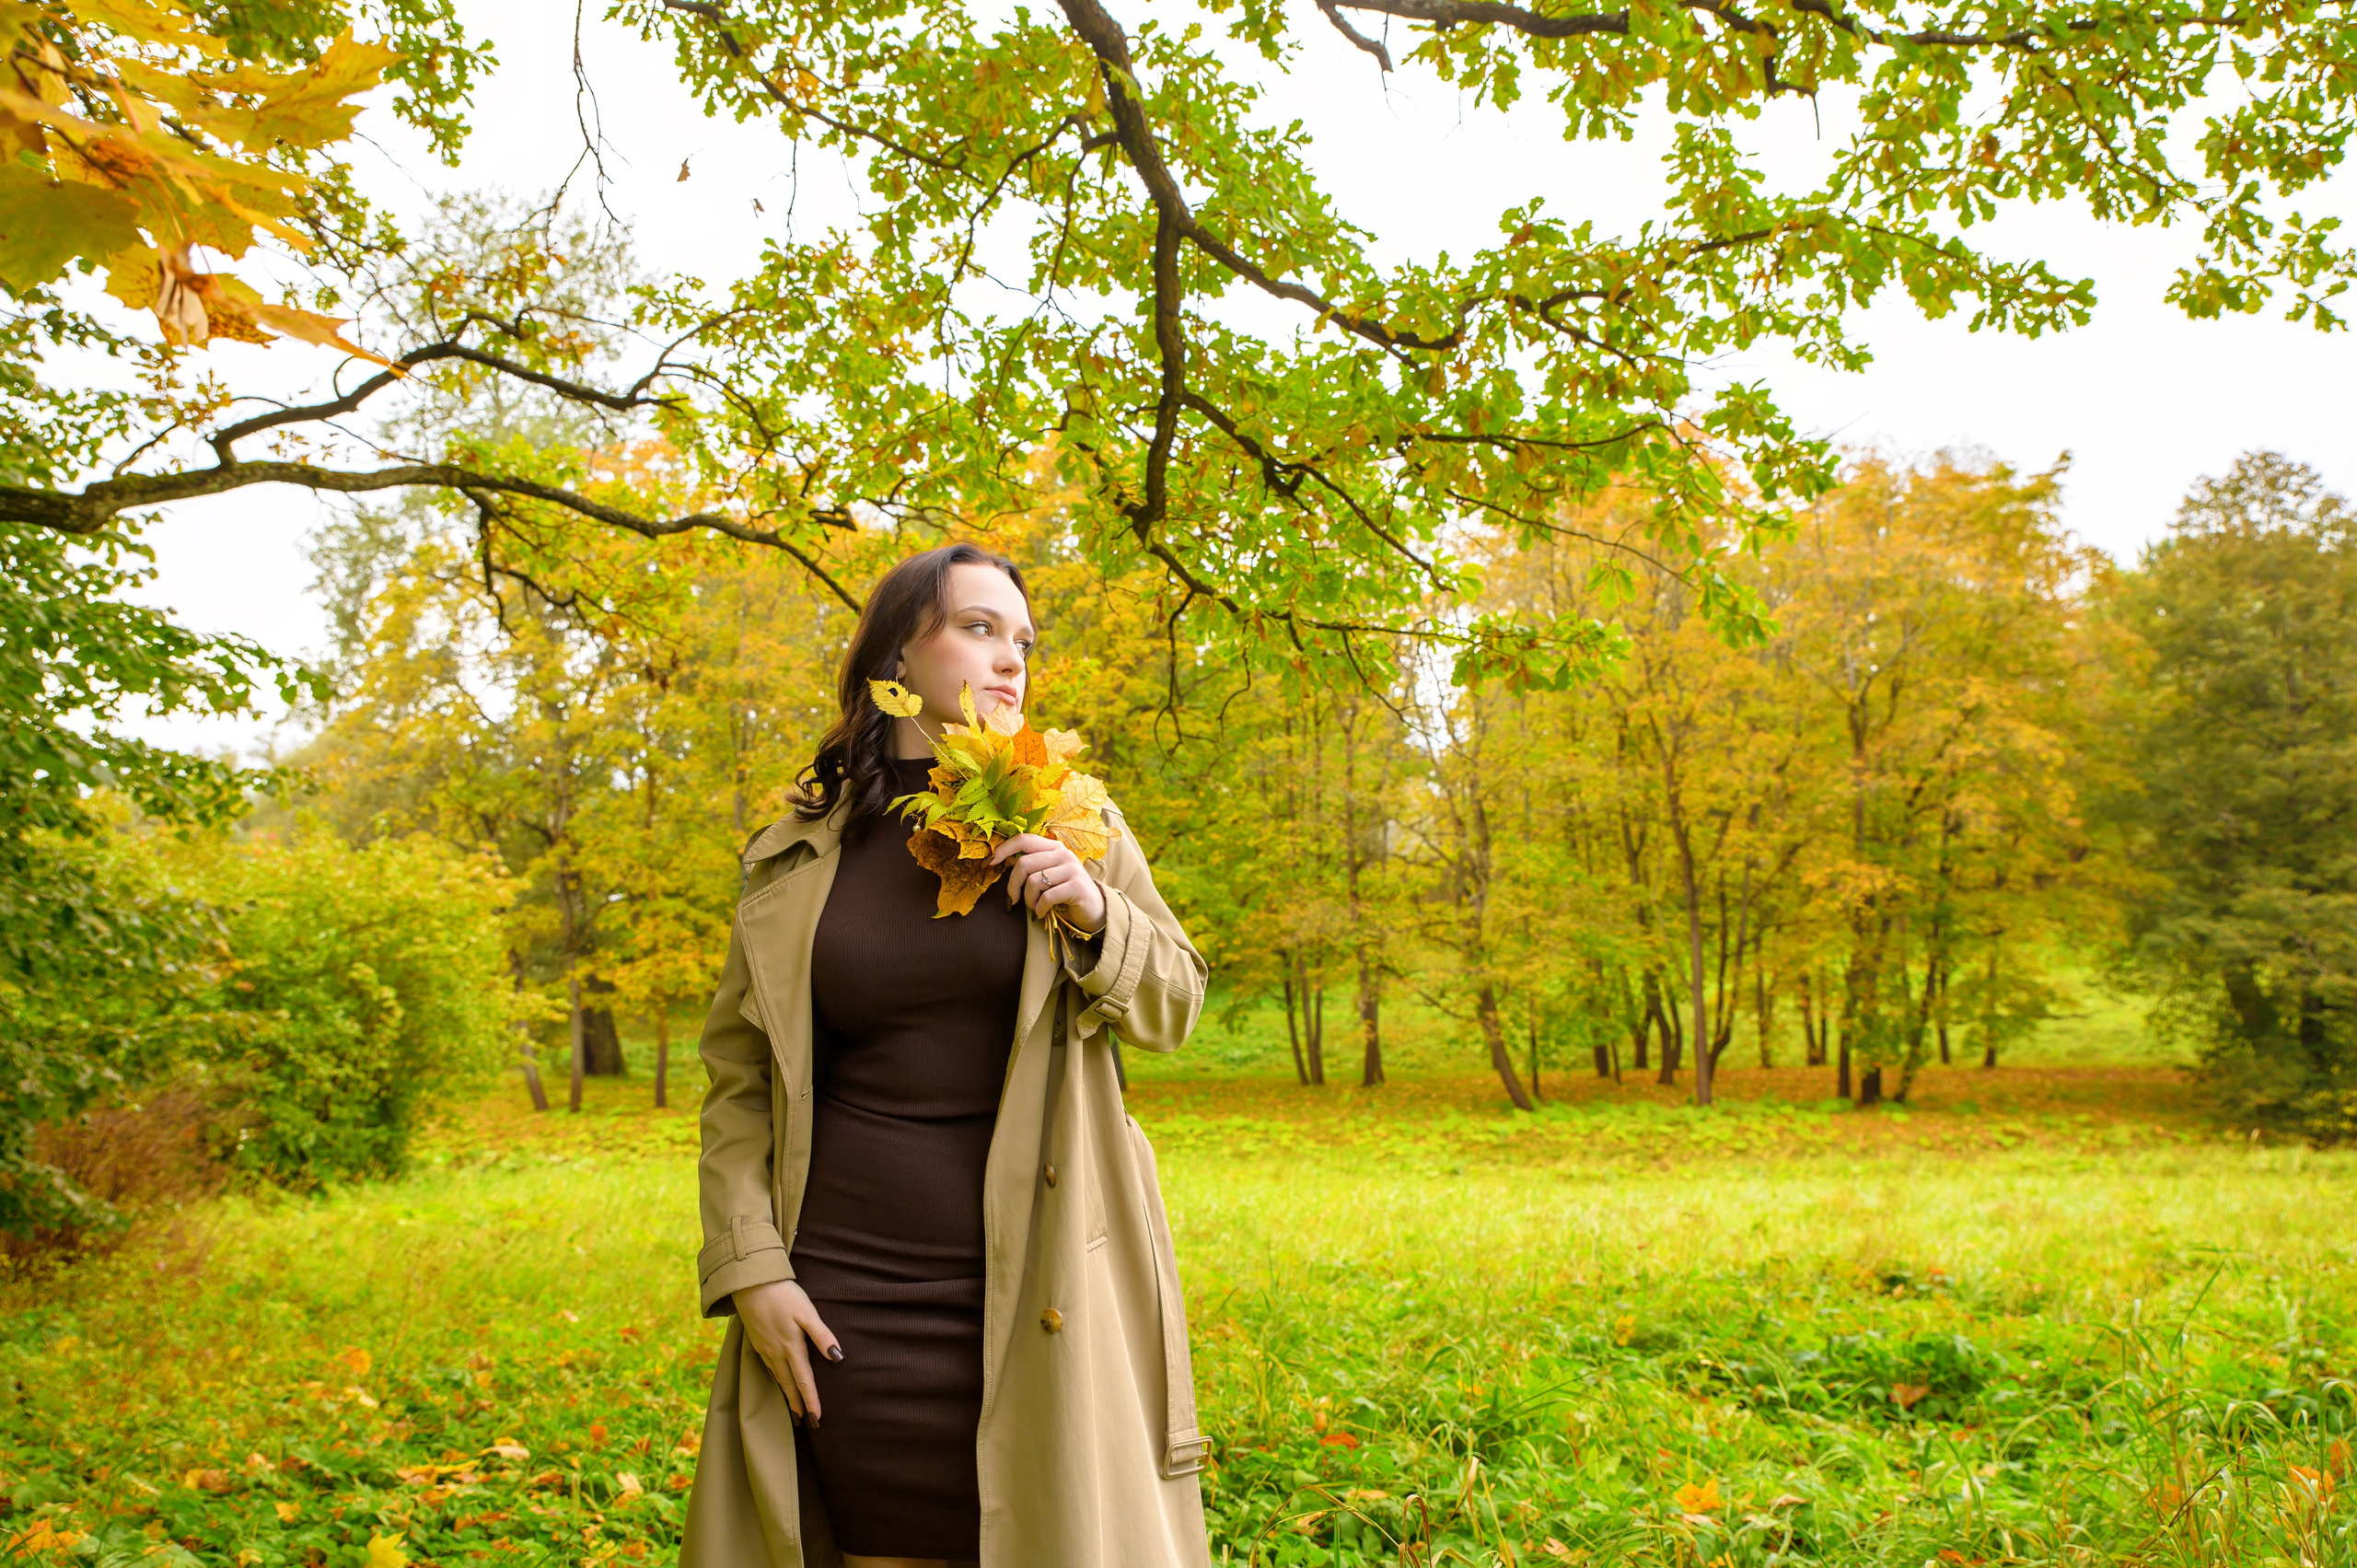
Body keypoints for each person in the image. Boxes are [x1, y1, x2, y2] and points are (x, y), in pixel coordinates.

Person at [680, 542, 1215, 1568]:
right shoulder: (798, 850)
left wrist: (1099, 913)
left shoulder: (1078, 818)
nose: (1011, 659)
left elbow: (1175, 1004)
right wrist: (752, 1269)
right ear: (897, 652)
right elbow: (740, 1081)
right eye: (978, 628)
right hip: (846, 1295)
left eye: (1022, 638)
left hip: (1043, 1288)